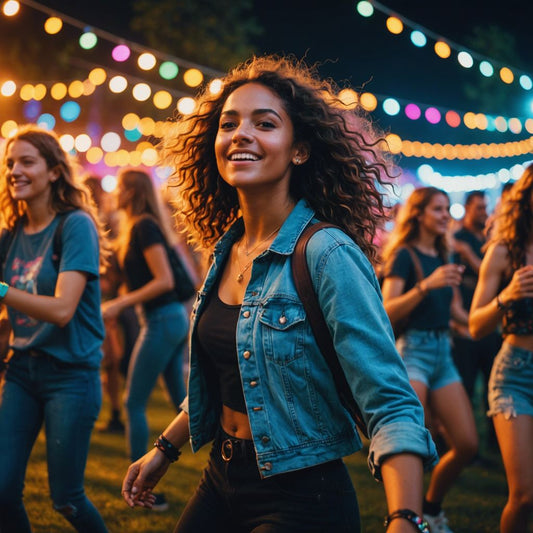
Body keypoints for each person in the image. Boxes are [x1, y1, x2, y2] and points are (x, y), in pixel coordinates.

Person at [121, 55, 438, 533]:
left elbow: (390, 399)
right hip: (221, 477)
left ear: (299, 150)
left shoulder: (327, 252)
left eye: (264, 124)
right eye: (229, 124)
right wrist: (164, 449)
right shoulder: (228, 248)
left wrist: (405, 518)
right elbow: (232, 375)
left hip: (301, 495)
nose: (240, 134)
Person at [0, 125, 109, 532]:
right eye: (10, 163)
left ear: (53, 171)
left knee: (66, 498)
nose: (15, 171)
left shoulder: (74, 225)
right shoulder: (9, 235)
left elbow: (63, 309)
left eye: (27, 162)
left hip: (71, 376)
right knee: (2, 491)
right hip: (21, 372)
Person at [381, 186, 478, 533]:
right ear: (418, 214)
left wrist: (486, 323)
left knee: (466, 444)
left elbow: (455, 311)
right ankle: (411, 519)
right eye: (437, 209)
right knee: (412, 446)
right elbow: (385, 311)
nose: (445, 216)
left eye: (446, 209)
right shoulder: (404, 256)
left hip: (443, 352)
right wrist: (426, 285)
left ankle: (431, 506)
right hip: (413, 354)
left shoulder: (445, 254)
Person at [102, 168, 189, 510]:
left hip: (163, 320)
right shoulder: (137, 226)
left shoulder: (144, 226)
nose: (113, 193)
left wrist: (120, 303)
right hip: (164, 319)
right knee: (183, 401)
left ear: (131, 191)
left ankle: (139, 487)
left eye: (119, 187)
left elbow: (164, 280)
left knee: (133, 402)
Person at [469, 165, 533, 533]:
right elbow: (476, 325)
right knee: (524, 496)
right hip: (515, 377)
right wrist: (507, 297)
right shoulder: (504, 252)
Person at [451, 190, 501, 453]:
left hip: (490, 324)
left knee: (493, 384)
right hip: (463, 326)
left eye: (486, 207)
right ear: (468, 208)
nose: (484, 212)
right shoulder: (456, 240)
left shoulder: (489, 239)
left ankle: (497, 443)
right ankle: (467, 447)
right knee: (466, 386)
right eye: (479, 208)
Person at [84, 174, 126, 434]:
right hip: (90, 297)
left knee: (110, 359)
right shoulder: (79, 221)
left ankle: (115, 413)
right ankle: (109, 412)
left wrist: (111, 283)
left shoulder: (108, 223)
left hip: (105, 300)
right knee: (101, 359)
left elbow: (117, 263)